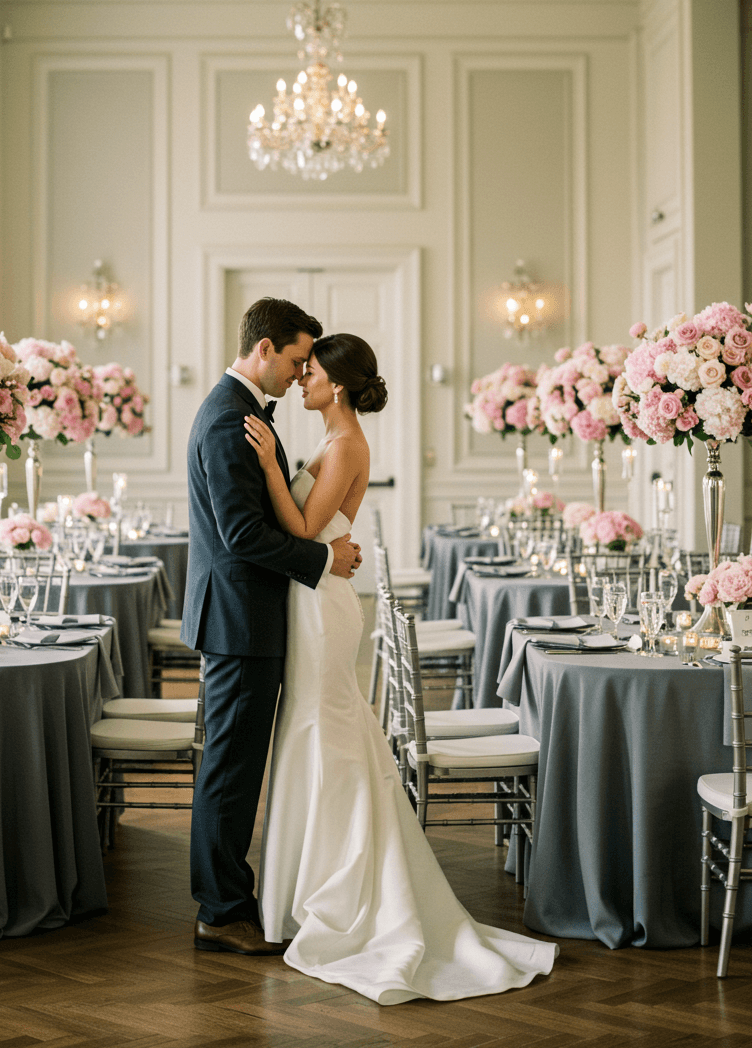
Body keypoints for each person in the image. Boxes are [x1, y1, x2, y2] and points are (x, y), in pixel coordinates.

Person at [244, 333, 558, 1004]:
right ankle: (302, 889)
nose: (303, 379)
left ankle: (338, 890)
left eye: (314, 373)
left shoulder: (347, 444)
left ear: (341, 384)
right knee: (313, 728)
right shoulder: (333, 440)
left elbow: (303, 531)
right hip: (311, 598)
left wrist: (271, 465)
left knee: (324, 728)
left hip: (323, 606)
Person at [182, 297, 362, 957]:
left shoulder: (240, 413)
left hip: (245, 616)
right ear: (264, 349)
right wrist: (324, 558)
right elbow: (242, 535)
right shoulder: (232, 419)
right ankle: (221, 910)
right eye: (293, 359)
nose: (297, 371)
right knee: (230, 770)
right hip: (237, 619)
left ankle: (227, 899)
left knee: (234, 765)